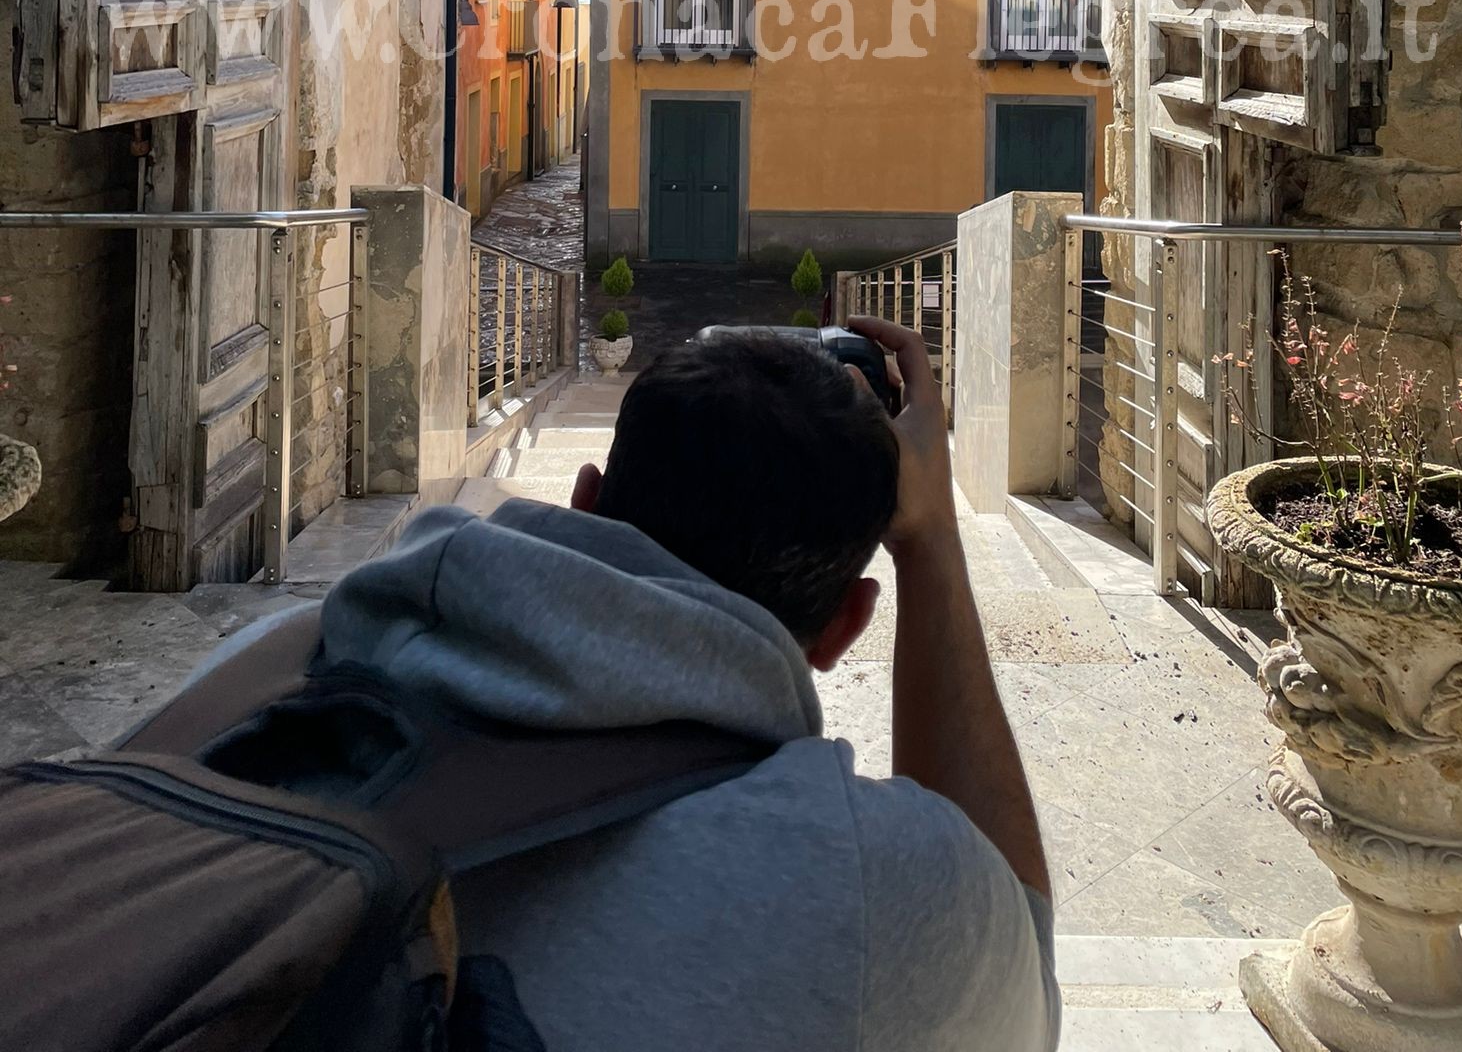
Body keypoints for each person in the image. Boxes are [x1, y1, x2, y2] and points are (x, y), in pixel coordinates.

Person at [304, 314, 1059, 1050]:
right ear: (843, 629)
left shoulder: (289, 667)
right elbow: (1024, 977)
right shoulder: (864, 882)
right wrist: (930, 543)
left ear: (586, 500)